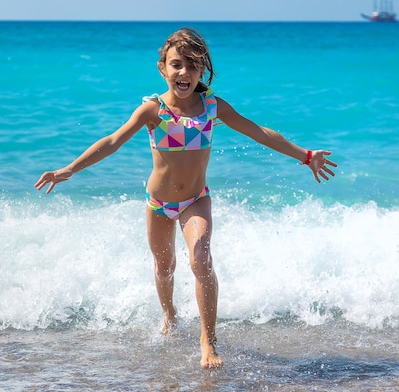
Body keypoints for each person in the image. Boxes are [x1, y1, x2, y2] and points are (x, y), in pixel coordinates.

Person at [35, 27, 337, 369]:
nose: (185, 73)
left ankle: (208, 340)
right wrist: (70, 169)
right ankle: (170, 316)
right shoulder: (153, 110)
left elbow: (259, 132)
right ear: (163, 68)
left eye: (193, 66)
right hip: (158, 203)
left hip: (196, 200)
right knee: (164, 267)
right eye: (177, 64)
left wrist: (305, 155)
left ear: (202, 71)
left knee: (200, 258)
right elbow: (112, 141)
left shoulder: (212, 107)